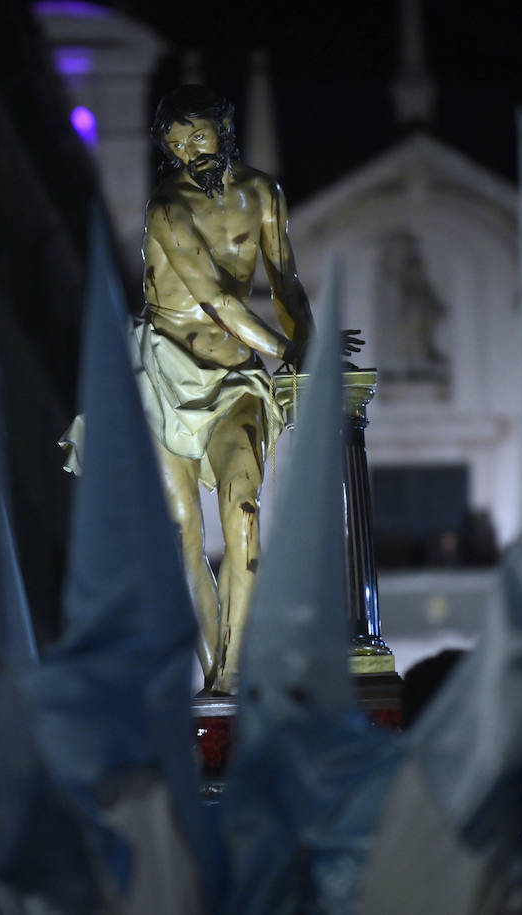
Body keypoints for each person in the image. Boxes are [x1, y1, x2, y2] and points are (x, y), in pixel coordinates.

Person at [140, 84, 359, 694]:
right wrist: (289, 350)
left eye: (199, 136)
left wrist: (308, 347)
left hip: (235, 376)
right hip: (165, 371)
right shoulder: (166, 205)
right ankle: (216, 671)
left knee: (242, 509)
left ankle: (238, 667)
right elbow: (213, 298)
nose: (189, 153)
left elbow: (284, 279)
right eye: (176, 143)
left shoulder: (263, 194)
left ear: (225, 131)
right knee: (184, 532)